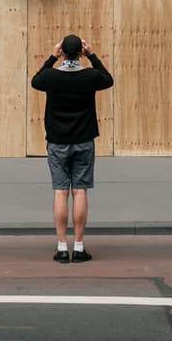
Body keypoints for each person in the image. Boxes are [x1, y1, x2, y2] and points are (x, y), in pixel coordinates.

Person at [31, 34, 113, 263]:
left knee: (60, 191)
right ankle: (78, 246)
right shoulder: (90, 76)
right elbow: (108, 79)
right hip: (84, 141)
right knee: (80, 191)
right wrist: (93, 55)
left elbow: (35, 81)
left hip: (57, 141)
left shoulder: (50, 77)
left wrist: (51, 57)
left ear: (63, 52)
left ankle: (61, 247)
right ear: (80, 52)